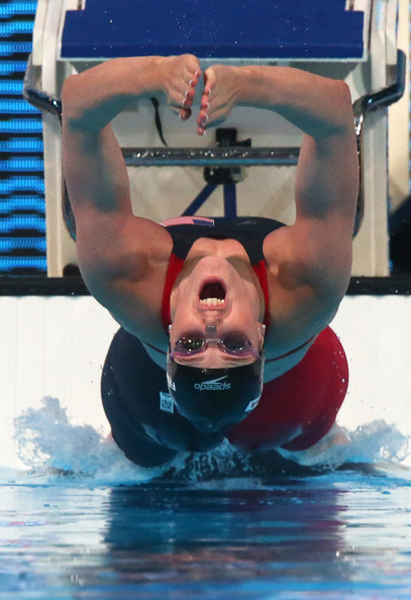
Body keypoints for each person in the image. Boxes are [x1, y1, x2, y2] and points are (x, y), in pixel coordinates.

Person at [62, 55, 358, 468]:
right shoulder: (307, 282)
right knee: (156, 453)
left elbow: (77, 108)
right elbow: (335, 114)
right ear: (260, 339)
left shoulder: (123, 272)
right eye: (233, 345)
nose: (210, 326)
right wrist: (247, 83)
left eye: (191, 344)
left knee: (137, 462)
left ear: (169, 345)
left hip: (265, 404)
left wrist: (154, 75)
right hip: (292, 394)